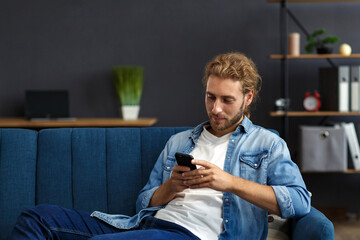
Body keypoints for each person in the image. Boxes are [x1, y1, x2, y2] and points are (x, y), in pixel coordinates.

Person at [11, 52, 311, 240]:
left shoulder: (267, 143)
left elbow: (299, 201)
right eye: (210, 97)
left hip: (196, 235)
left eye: (226, 100)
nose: (215, 108)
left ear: (247, 98)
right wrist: (172, 187)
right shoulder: (180, 142)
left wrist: (230, 182)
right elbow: (144, 203)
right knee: (37, 218)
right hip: (144, 226)